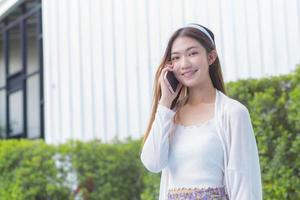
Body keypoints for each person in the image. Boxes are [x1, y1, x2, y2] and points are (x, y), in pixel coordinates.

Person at [140, 23, 262, 200]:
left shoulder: (233, 113)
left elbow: (244, 183)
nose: (184, 64)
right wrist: (165, 102)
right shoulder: (170, 114)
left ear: (211, 57)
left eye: (192, 53)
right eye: (176, 58)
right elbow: (153, 163)